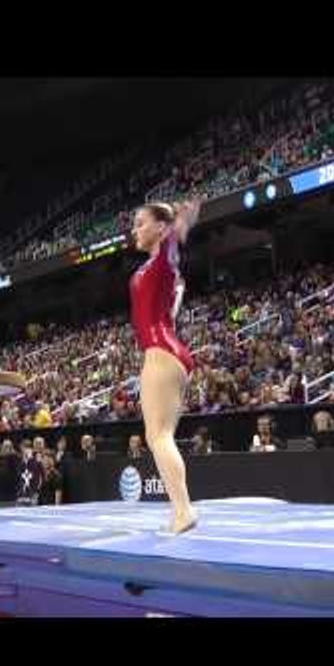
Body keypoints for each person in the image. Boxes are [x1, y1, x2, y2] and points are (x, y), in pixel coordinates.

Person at [129, 199, 202, 534]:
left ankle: (183, 511)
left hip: (161, 350)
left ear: (160, 227)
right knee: (158, 435)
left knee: (159, 436)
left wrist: (178, 229)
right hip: (168, 349)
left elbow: (171, 252)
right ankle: (179, 511)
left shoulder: (162, 262)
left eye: (141, 223)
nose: (135, 229)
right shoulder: (157, 268)